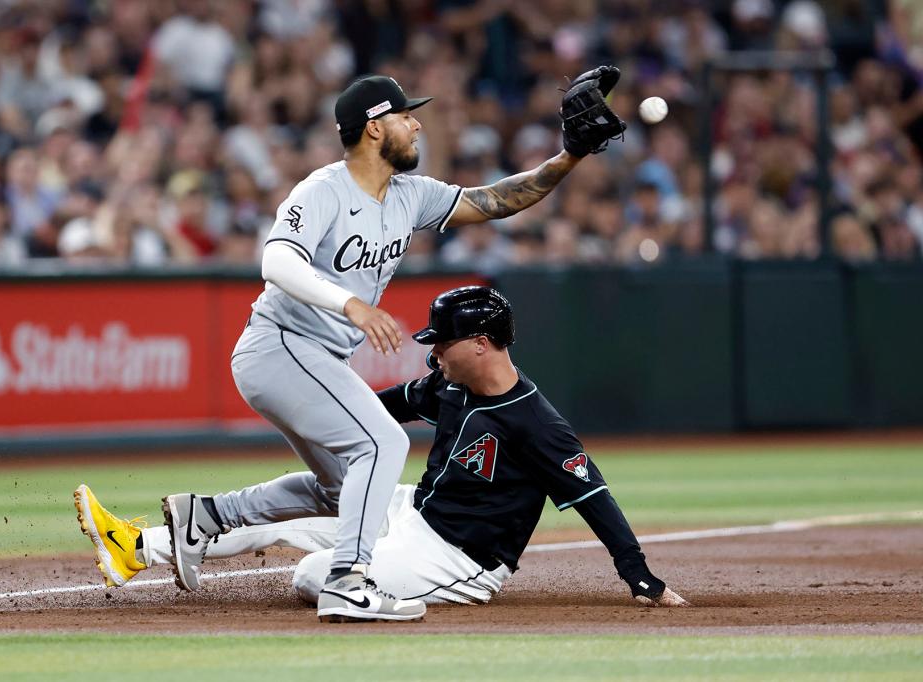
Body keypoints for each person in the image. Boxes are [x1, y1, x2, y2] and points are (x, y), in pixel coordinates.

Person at [78, 70, 627, 623]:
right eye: (404, 115)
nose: (416, 123)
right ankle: (347, 583)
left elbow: (494, 201)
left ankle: (198, 518)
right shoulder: (324, 190)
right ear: (372, 129)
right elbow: (276, 261)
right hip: (281, 345)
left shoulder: (408, 195)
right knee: (384, 446)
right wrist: (353, 306)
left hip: (315, 357)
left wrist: (569, 156)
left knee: (344, 490)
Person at [74, 286, 688, 610]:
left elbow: (594, 495)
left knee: (315, 575)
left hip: (459, 561)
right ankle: (142, 546)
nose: (433, 352)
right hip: (414, 513)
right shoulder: (450, 384)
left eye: (442, 342)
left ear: (480, 344)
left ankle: (356, 574)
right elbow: (379, 411)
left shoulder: (535, 422)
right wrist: (317, 411)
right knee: (324, 495)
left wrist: (640, 577)